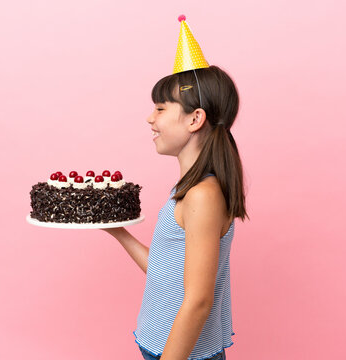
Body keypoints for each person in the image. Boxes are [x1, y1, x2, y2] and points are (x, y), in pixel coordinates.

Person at [103, 16, 249, 360]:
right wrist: (118, 232)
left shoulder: (202, 195)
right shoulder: (192, 189)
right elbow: (168, 270)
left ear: (194, 119)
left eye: (160, 108)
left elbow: (198, 301)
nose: (150, 119)